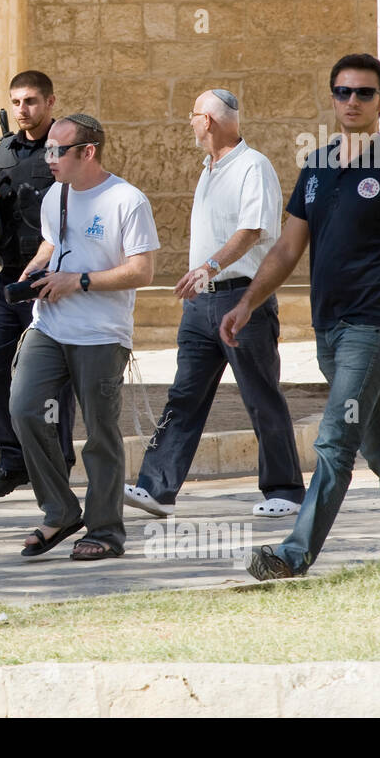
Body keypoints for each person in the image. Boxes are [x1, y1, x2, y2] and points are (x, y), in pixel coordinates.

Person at [220, 53, 380, 580]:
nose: (353, 101)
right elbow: (285, 249)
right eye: (344, 92)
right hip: (328, 331)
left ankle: (291, 555)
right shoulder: (318, 167)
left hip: (373, 328)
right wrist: (246, 301)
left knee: (335, 439)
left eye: (364, 93)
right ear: (332, 99)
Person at [124, 89, 305, 519]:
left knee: (261, 396)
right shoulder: (209, 169)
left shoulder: (252, 166)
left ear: (207, 120)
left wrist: (208, 266)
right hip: (200, 307)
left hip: (243, 300)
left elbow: (253, 230)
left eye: (192, 116)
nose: (189, 123)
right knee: (184, 396)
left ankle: (286, 490)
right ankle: (156, 487)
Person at [10, 114, 159, 561]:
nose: (48, 158)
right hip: (50, 325)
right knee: (24, 408)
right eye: (47, 150)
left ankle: (107, 531)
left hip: (101, 333)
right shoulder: (56, 194)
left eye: (58, 150)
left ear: (87, 152)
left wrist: (80, 281)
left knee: (99, 433)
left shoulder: (126, 200)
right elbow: (52, 244)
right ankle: (60, 510)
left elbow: (143, 270)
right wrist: (37, 267)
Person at [0, 71, 77, 499]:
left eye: (31, 101)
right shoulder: (5, 149)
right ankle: (11, 457)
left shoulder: (65, 148)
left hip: (49, 282)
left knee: (54, 379)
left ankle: (57, 460)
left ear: (50, 102)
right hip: (6, 281)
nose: (22, 110)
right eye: (16, 102)